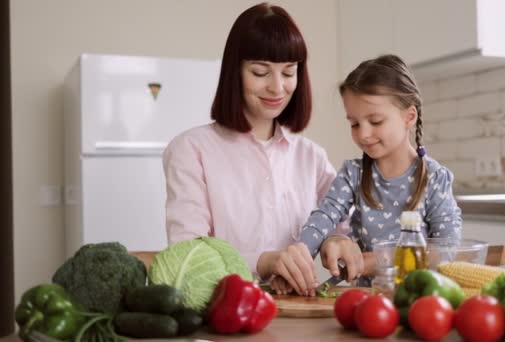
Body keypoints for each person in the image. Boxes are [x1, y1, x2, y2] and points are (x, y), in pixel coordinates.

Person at [162, 2, 343, 296]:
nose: (277, 87)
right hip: (223, 316)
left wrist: (339, 241)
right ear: (235, 72)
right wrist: (264, 261)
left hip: (297, 315)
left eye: (288, 72)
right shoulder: (191, 149)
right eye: (260, 72)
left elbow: (344, 225)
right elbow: (188, 255)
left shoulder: (311, 157)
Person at [280, 54, 463, 292]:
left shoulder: (435, 179)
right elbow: (322, 219)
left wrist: (373, 261)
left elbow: (446, 249)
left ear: (410, 116)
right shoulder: (352, 174)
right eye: (354, 124)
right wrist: (298, 259)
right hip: (369, 300)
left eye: (375, 121)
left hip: (420, 299)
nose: (363, 134)